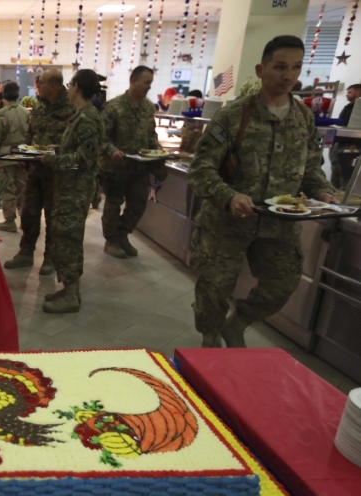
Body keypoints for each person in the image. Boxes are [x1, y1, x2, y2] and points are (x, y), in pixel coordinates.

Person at [188, 35, 337, 348]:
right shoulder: (231, 117)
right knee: (213, 289)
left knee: (283, 284)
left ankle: (238, 323)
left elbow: (311, 169)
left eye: (296, 67)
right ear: (261, 69)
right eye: (280, 67)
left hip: (277, 225)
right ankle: (211, 340)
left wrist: (324, 192)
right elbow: (201, 169)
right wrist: (229, 196)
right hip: (226, 223)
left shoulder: (304, 118)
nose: (288, 75)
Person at [39, 70, 106, 313]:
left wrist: (54, 160)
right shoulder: (81, 116)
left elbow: (83, 160)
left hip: (74, 190)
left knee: (67, 239)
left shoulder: (87, 118)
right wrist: (56, 151)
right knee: (68, 239)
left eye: (70, 85)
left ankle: (70, 296)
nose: (67, 90)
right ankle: (70, 290)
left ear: (76, 87)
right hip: (68, 188)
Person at [4, 69, 76, 274]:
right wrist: (24, 153)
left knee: (53, 217)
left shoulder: (71, 108)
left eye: (41, 83)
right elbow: (31, 133)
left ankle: (50, 258)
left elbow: (73, 143)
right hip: (35, 170)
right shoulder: (39, 106)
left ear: (53, 86)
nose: (38, 86)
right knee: (29, 213)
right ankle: (26, 253)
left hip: (57, 173)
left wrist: (55, 153)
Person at [99, 65, 166, 259]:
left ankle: (122, 235)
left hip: (140, 167)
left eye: (151, 83)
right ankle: (111, 240)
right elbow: (101, 136)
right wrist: (112, 151)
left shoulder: (147, 106)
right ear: (134, 81)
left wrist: (158, 151)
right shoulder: (114, 106)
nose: (149, 87)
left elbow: (151, 135)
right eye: (147, 82)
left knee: (138, 203)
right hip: (116, 167)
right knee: (113, 204)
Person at [0, 80, 29, 233]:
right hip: (23, 156)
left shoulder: (2, 114)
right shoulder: (26, 112)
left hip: (5, 157)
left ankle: (9, 221)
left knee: (7, 188)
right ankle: (25, 220)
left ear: (3, 94)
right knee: (21, 187)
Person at [330, 83, 360, 189]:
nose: (347, 94)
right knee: (335, 170)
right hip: (339, 141)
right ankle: (332, 193)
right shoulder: (347, 107)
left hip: (350, 144)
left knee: (346, 173)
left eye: (350, 92)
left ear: (358, 92)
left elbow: (356, 127)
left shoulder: (358, 109)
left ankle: (343, 197)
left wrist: (355, 143)